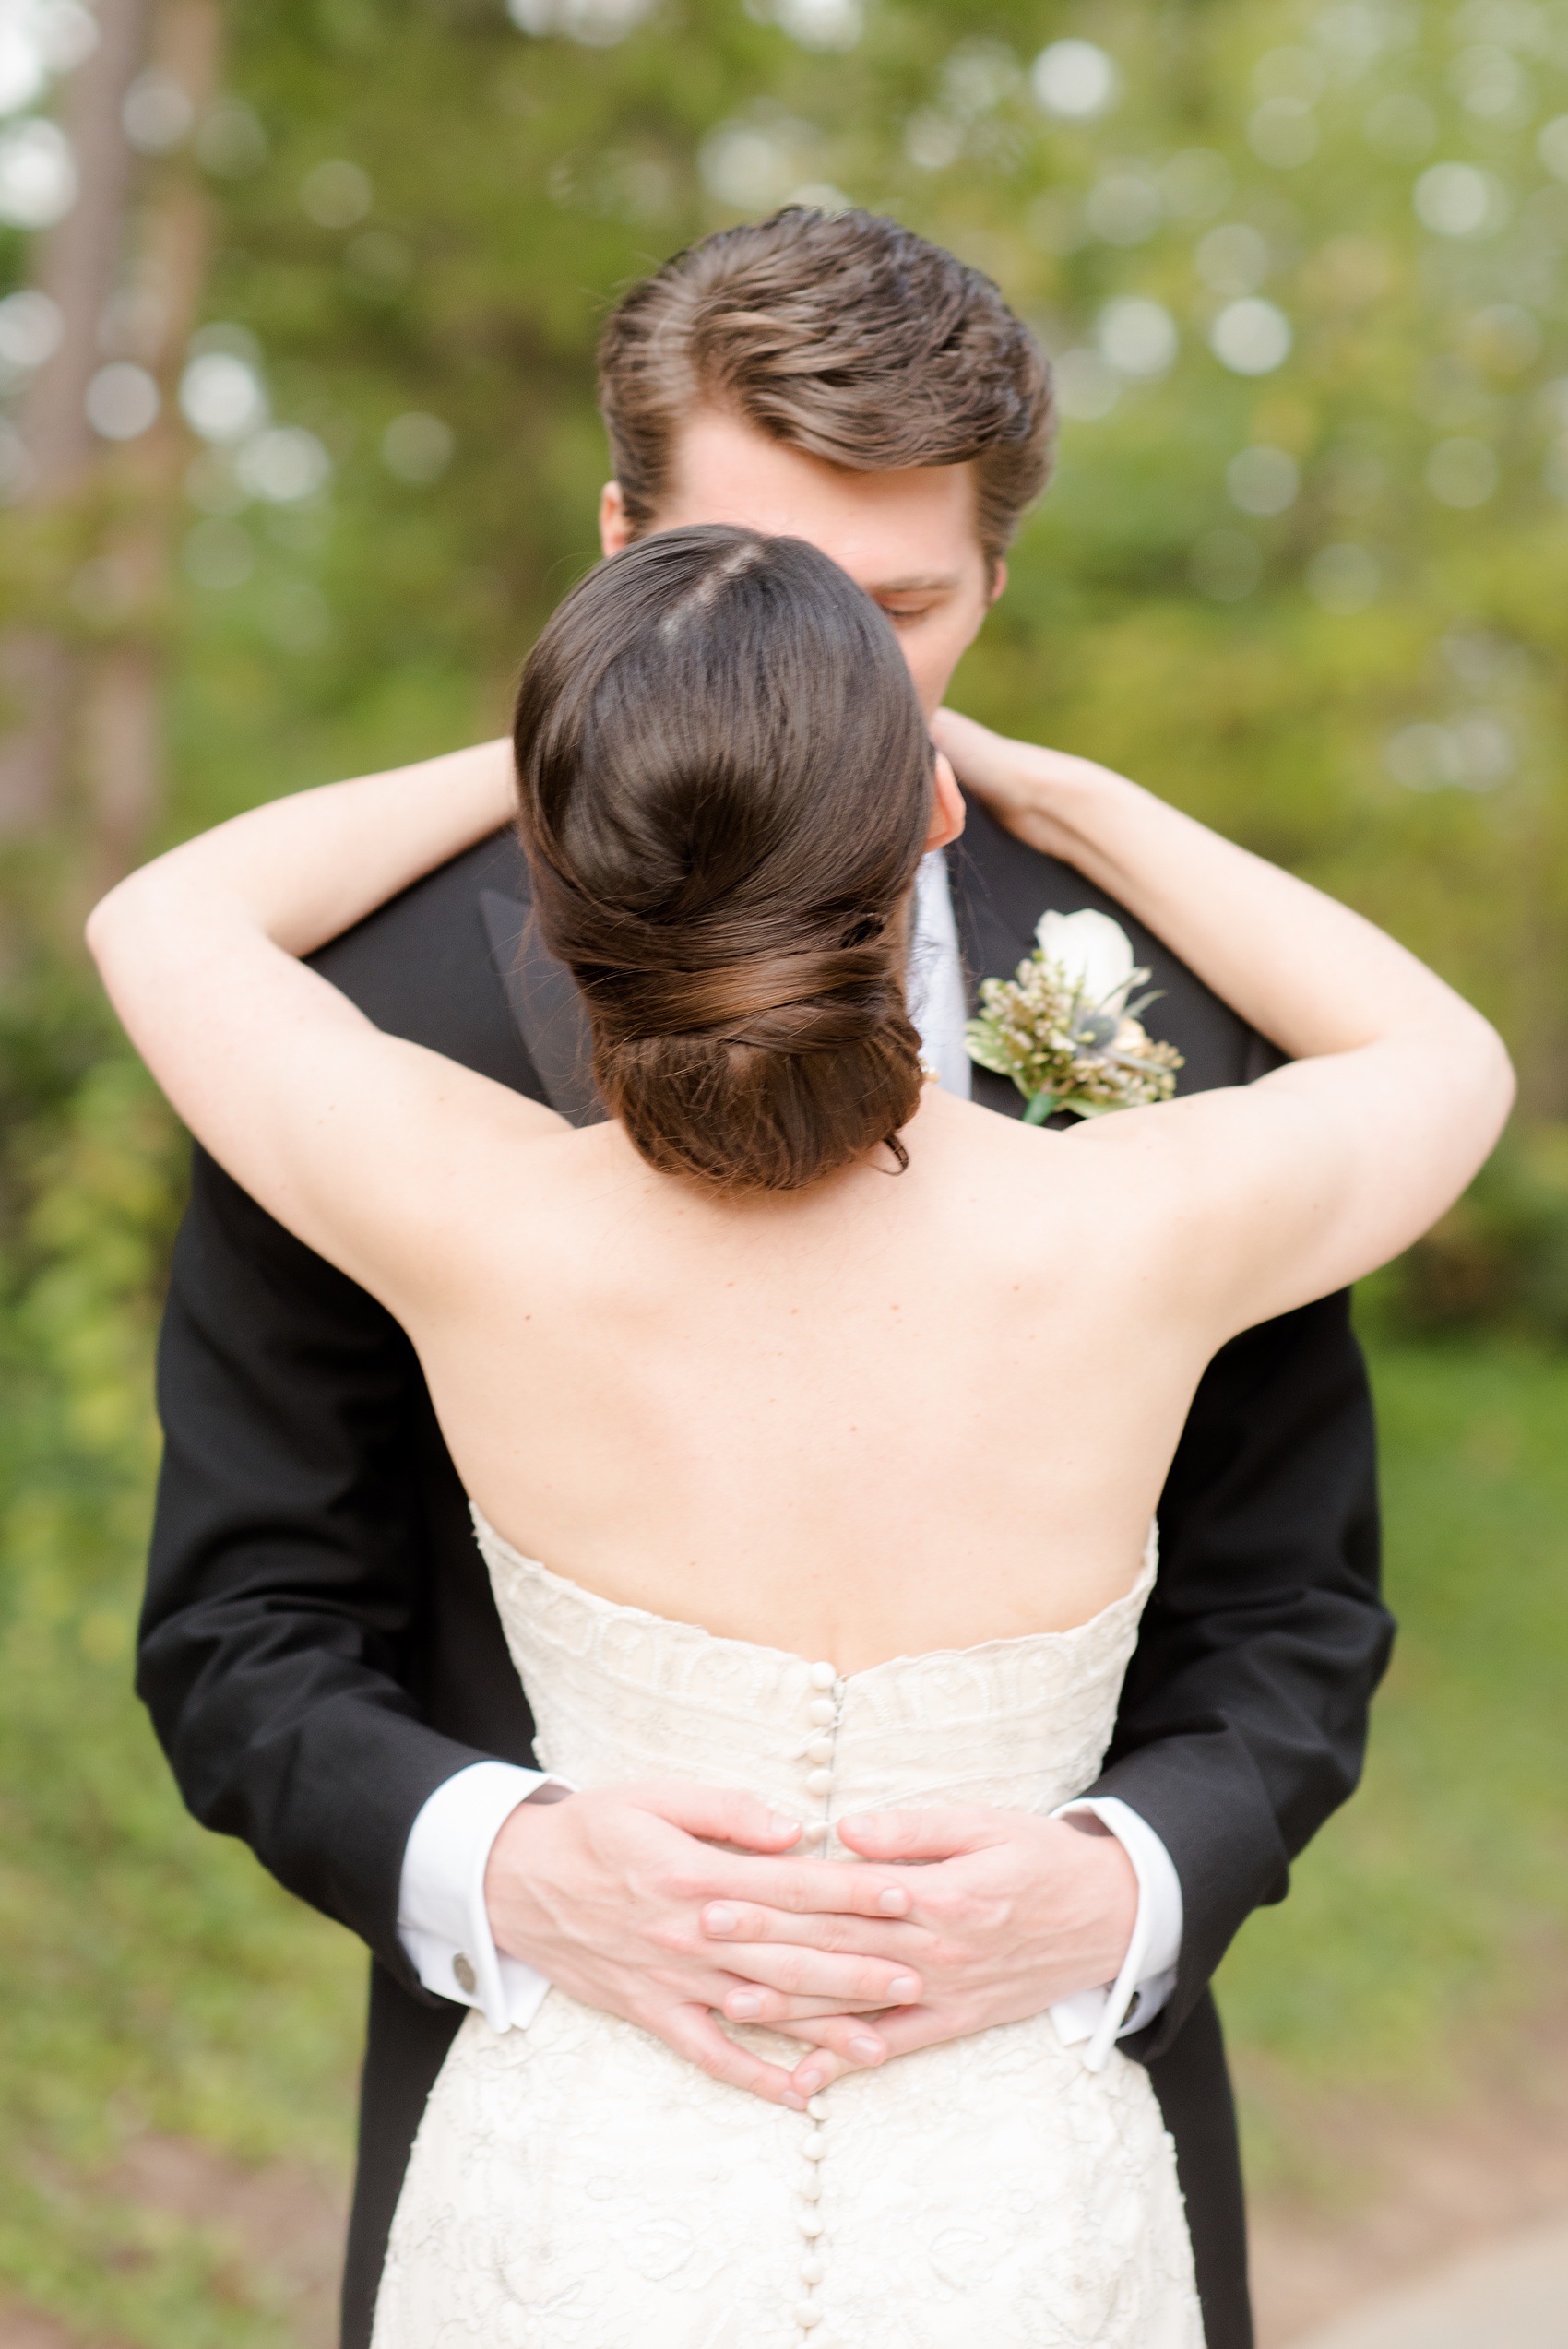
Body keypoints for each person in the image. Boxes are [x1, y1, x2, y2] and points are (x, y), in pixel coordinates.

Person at [133, 210, 1398, 2349]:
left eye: (901, 607)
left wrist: (1117, 1884)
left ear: (999, 574)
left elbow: (1293, 1604)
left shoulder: (1185, 991)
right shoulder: (381, 996)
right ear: (617, 540)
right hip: (566, 2168)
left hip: (1035, 2158)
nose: (845, 682)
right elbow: (242, 1624)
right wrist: (509, 1863)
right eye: (765, 591)